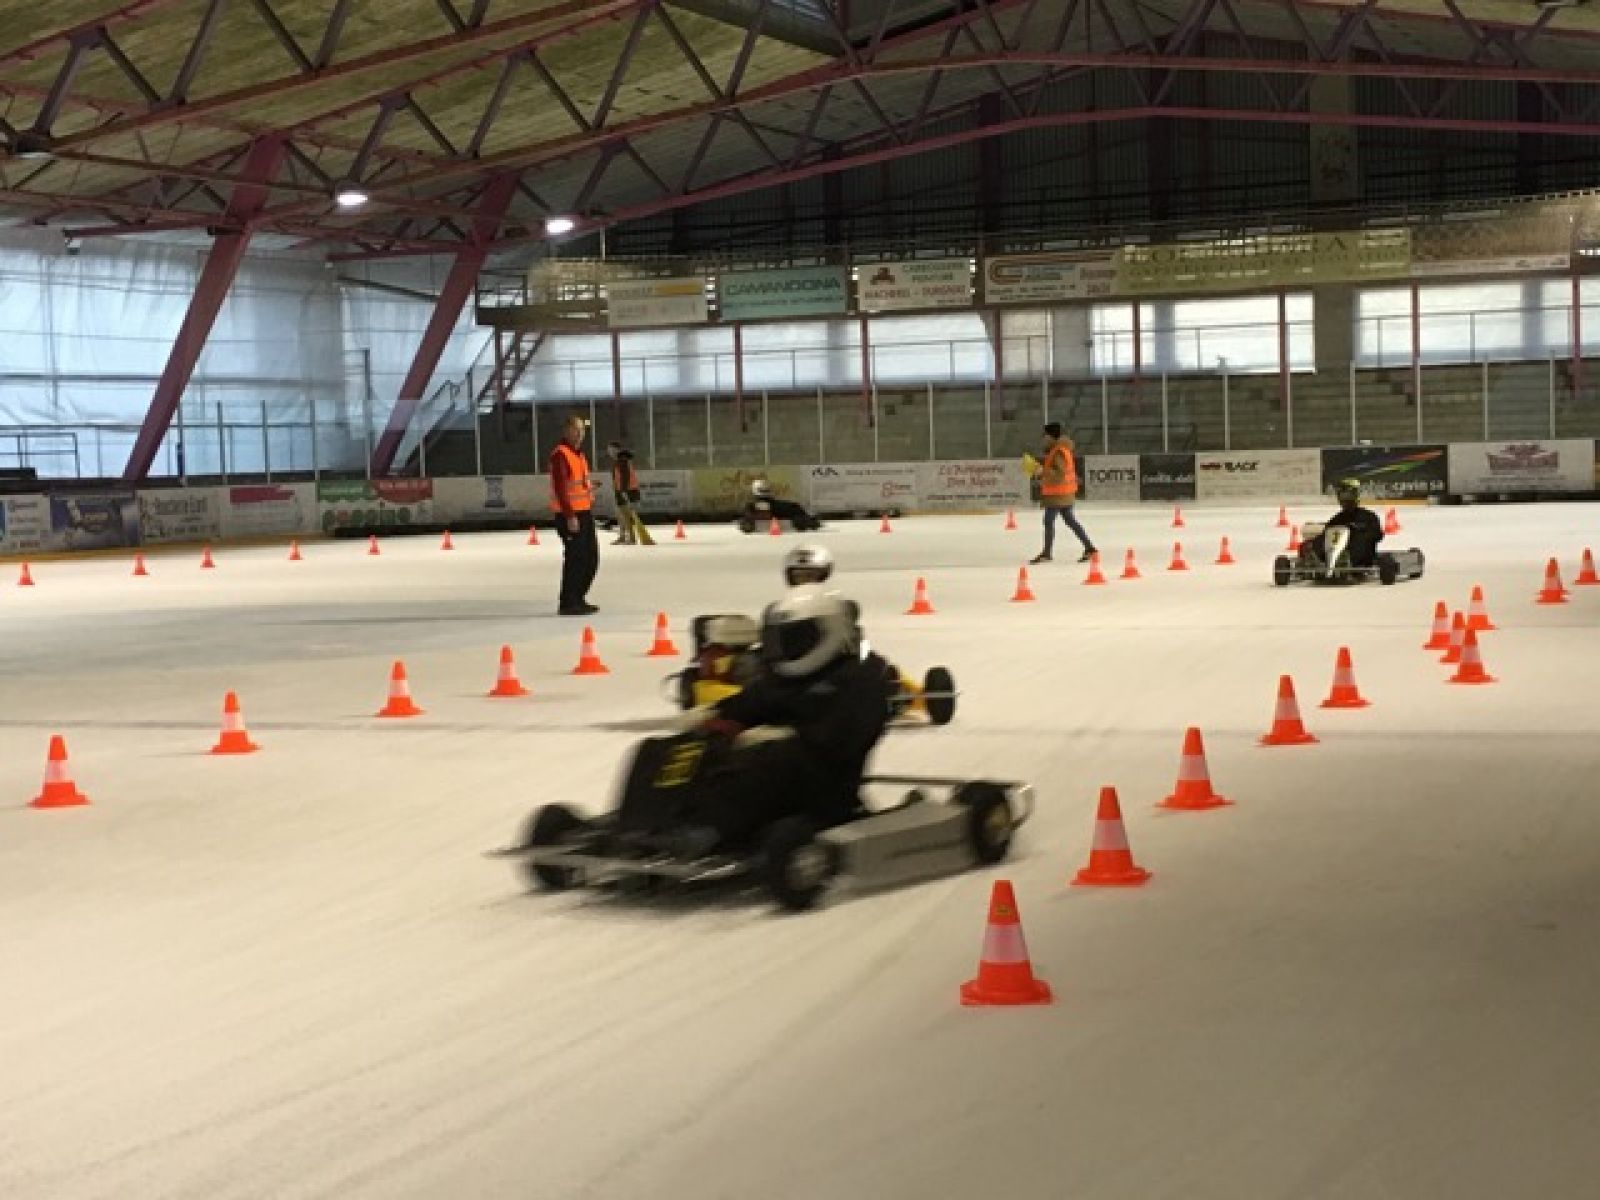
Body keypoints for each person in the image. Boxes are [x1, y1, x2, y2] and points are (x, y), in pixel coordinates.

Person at [684, 587, 892, 850]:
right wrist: (715, 716)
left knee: (769, 757)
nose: (785, 647)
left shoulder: (862, 676)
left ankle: (713, 830)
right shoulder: (782, 678)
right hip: (774, 773)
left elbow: (843, 737)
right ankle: (657, 820)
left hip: (824, 786)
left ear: (828, 632)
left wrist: (787, 735)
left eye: (795, 638)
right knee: (675, 749)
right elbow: (752, 703)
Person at [549, 413, 599, 615]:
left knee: (590, 558)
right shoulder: (561, 455)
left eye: (582, 430)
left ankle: (578, 597)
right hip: (570, 516)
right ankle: (569, 601)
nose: (579, 434)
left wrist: (589, 488)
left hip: (584, 513)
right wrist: (570, 516)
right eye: (575, 430)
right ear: (566, 431)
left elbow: (576, 484)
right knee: (576, 558)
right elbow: (561, 488)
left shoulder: (578, 455)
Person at [1031, 422, 1096, 565]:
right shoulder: (1060, 449)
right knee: (1070, 521)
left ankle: (1047, 553)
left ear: (1051, 436)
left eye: (1045, 435)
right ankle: (1090, 548)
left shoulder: (1058, 451)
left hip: (1057, 494)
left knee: (1049, 521)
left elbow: (1059, 474)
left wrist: (1041, 472)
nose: (1043, 438)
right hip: (1064, 493)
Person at [1308, 477, 1384, 567]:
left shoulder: (1369, 517)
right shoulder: (1336, 520)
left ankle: (1349, 562)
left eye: (1348, 495)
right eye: (1342, 495)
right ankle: (1325, 564)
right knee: (1311, 544)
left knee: (1360, 540)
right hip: (1336, 557)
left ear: (1356, 495)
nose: (1346, 500)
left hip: (1362, 561)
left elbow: (1377, 535)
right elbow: (1327, 536)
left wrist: (1359, 531)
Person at [607, 441, 653, 546]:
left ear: (616, 449)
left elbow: (625, 477)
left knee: (627, 515)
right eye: (608, 450)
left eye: (611, 449)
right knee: (622, 515)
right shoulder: (619, 460)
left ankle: (631, 538)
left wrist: (623, 492)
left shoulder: (622, 460)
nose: (609, 452)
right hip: (622, 491)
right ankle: (624, 536)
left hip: (628, 491)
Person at [741, 478, 821, 533]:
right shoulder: (784, 506)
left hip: (766, 521)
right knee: (794, 508)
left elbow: (746, 521)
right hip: (777, 516)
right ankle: (807, 521)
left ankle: (806, 521)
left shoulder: (750, 507)